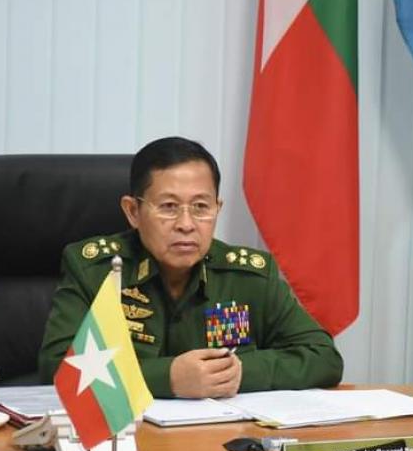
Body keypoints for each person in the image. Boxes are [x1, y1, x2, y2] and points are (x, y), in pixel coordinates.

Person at [38, 137, 344, 398]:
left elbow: (324, 358)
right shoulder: (96, 270)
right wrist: (168, 377)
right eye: (169, 207)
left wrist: (239, 373)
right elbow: (58, 367)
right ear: (133, 212)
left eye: (200, 207)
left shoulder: (247, 276)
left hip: (216, 440)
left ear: (217, 209)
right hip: (125, 438)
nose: (186, 224)